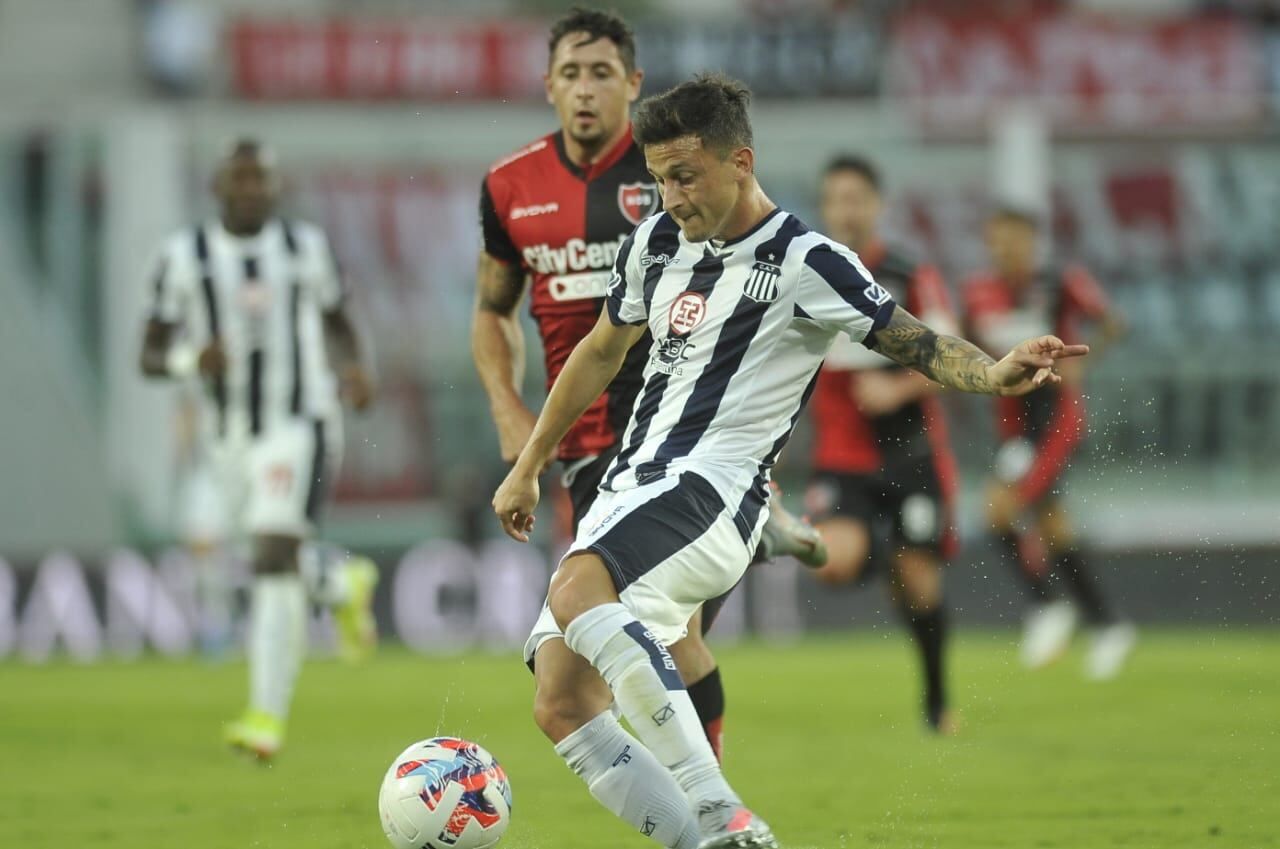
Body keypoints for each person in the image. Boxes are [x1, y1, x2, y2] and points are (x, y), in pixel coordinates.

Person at [492, 74, 1088, 849]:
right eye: (659, 177)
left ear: (740, 161)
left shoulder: (808, 259)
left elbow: (919, 342)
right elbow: (600, 351)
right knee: (561, 702)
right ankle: (707, 841)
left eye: (685, 176)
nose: (670, 196)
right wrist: (529, 460)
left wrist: (995, 371)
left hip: (717, 489)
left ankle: (723, 812)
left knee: (579, 587)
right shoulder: (657, 242)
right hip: (628, 486)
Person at [471, 7, 822, 765]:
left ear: (632, 84)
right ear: (549, 88)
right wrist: (507, 405)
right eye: (571, 74)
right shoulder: (509, 188)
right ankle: (756, 526)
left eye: (602, 73)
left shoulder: (677, 166)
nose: (586, 89)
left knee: (647, 632)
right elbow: (491, 311)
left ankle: (710, 799)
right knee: (648, 633)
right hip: (583, 429)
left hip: (671, 421)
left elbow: (767, 284)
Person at [139, 139, 380, 759]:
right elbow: (149, 354)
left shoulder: (305, 247)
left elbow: (338, 317)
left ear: (276, 189)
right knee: (274, 558)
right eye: (240, 181)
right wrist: (195, 358)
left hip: (300, 422)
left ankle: (265, 717)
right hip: (227, 441)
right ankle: (338, 580)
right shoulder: (182, 257)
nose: (252, 192)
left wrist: (354, 369)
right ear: (218, 187)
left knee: (272, 556)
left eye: (262, 182)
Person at [802, 155, 959, 732]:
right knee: (830, 564)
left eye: (855, 198)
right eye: (835, 199)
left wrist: (896, 389)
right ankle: (876, 543)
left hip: (910, 455)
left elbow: (949, 351)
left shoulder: (908, 271)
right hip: (843, 459)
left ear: (877, 205)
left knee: (919, 586)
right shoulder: (806, 274)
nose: (845, 209)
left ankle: (938, 702)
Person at [963, 205, 1135, 679]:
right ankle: (1107, 623)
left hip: (1056, 416)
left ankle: (1047, 605)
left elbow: (1112, 321)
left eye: (1015, 238)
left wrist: (1084, 360)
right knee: (1054, 528)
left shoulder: (1060, 282)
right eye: (997, 239)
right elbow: (960, 339)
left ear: (1034, 242)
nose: (1005, 248)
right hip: (1013, 422)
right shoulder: (978, 292)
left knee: (997, 509)